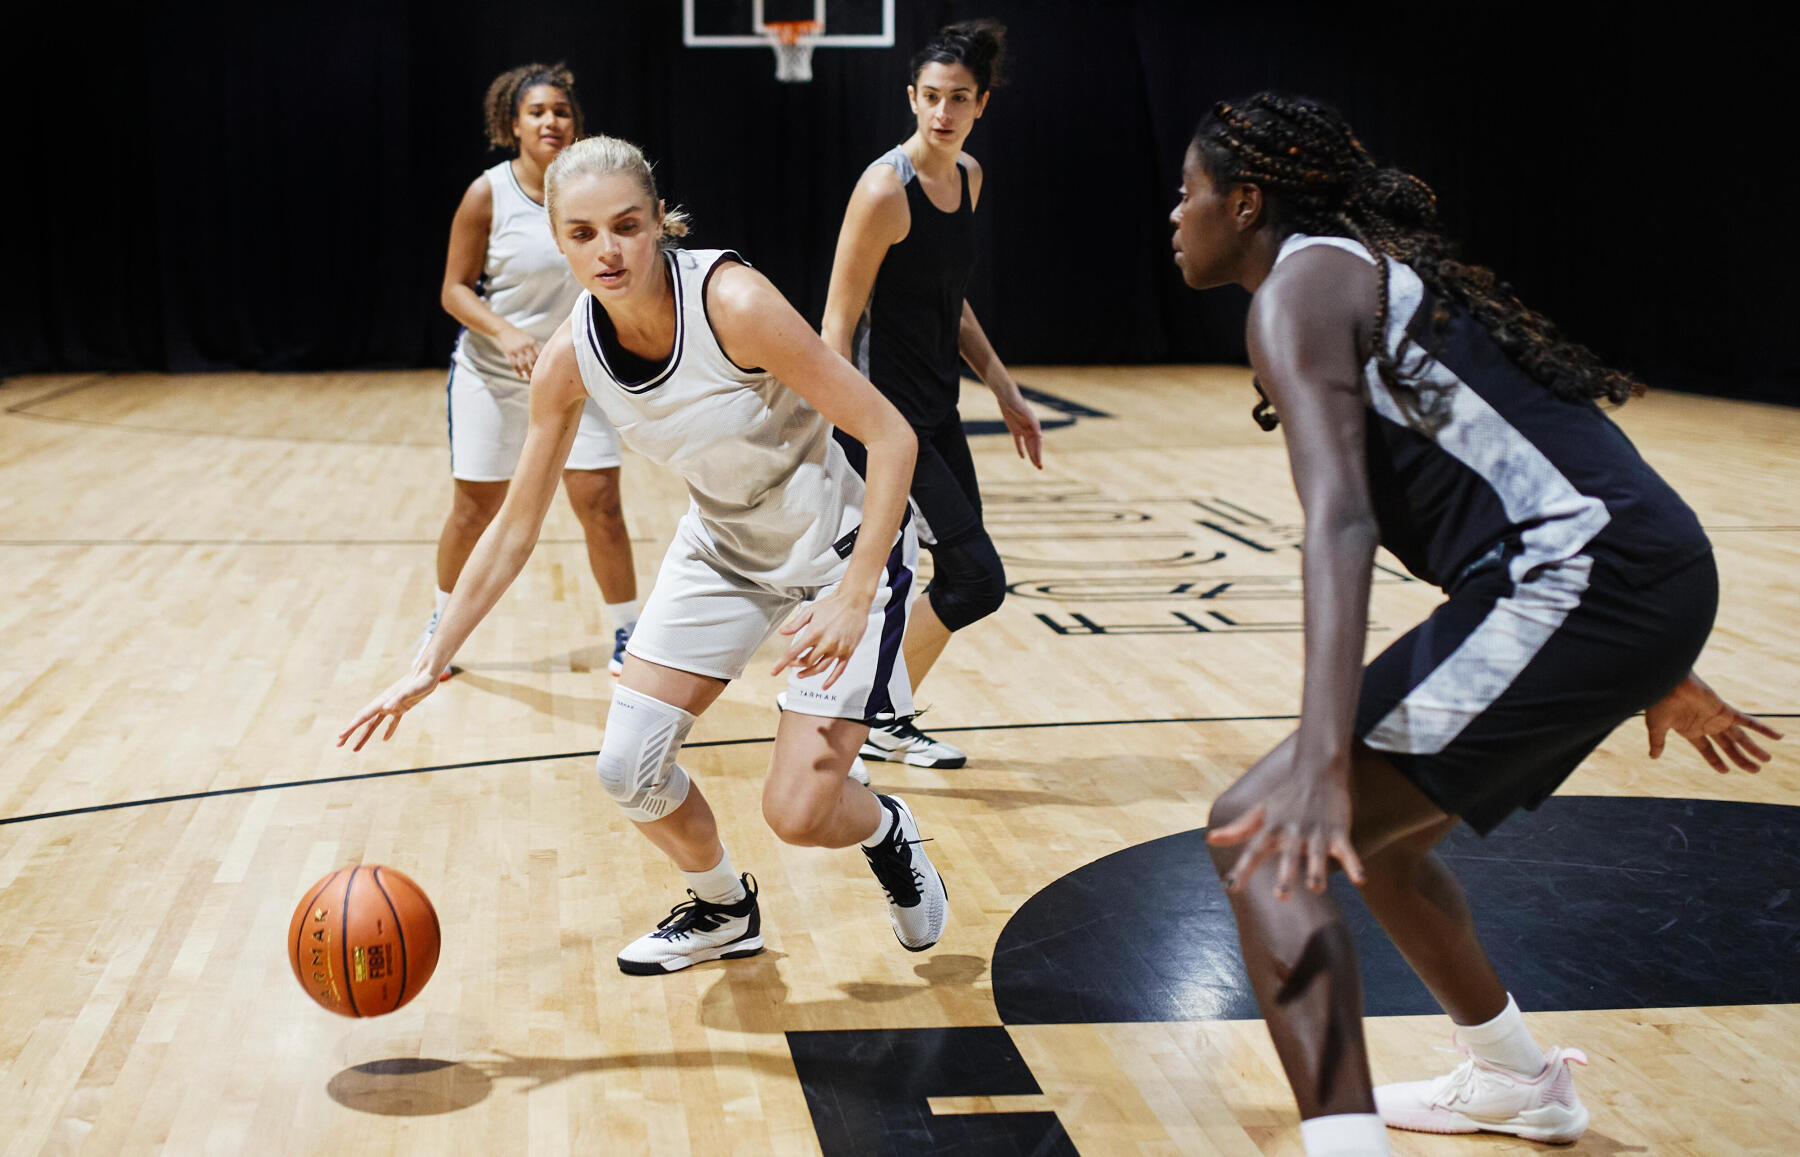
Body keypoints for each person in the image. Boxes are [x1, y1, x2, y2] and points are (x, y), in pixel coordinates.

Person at [1168, 92, 1782, 1157]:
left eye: (1189, 192)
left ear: (1248, 200)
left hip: (1589, 579)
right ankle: (1514, 1079)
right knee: (1386, 846)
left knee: (1263, 842)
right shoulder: (1351, 273)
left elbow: (1342, 523)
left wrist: (1319, 754)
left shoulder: (1301, 287)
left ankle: (1347, 1143)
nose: (1173, 214)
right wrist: (1650, 652)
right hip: (1623, 574)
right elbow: (1545, 454)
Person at [343, 135, 949, 974]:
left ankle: (887, 831)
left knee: (799, 812)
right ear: (559, 239)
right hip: (723, 549)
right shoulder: (568, 359)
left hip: (838, 552)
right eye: (583, 232)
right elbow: (516, 526)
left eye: (627, 225)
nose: (608, 249)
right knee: (628, 768)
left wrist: (852, 593)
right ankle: (724, 906)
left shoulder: (734, 303)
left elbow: (890, 435)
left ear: (660, 221)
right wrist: (431, 657)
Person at [818, 19, 1042, 771]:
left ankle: (880, 710)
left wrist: (1005, 389)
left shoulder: (969, 178)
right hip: (888, 423)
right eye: (931, 98)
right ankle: (871, 709)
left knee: (961, 575)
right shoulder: (885, 189)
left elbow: (954, 302)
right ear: (912, 98)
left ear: (982, 105)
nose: (943, 113)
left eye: (960, 99)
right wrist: (843, 429)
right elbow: (838, 323)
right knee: (978, 577)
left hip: (939, 414)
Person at [429, 63, 638, 678]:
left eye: (561, 111)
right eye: (537, 112)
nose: (551, 121)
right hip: (493, 376)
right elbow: (454, 290)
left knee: (600, 504)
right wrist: (507, 333)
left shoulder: (592, 189)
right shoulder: (487, 193)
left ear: (576, 123)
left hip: (579, 372)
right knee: (476, 509)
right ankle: (442, 625)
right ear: (512, 124)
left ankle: (629, 631)